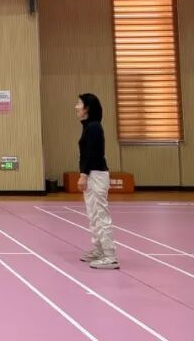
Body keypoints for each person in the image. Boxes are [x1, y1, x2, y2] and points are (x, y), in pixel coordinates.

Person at [76, 93, 119, 270]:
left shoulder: (93, 127)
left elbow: (92, 154)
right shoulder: (88, 127)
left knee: (100, 214)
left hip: (96, 175)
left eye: (79, 104)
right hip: (92, 174)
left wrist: (84, 175)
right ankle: (100, 249)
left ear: (87, 108)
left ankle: (110, 256)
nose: (76, 107)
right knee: (93, 214)